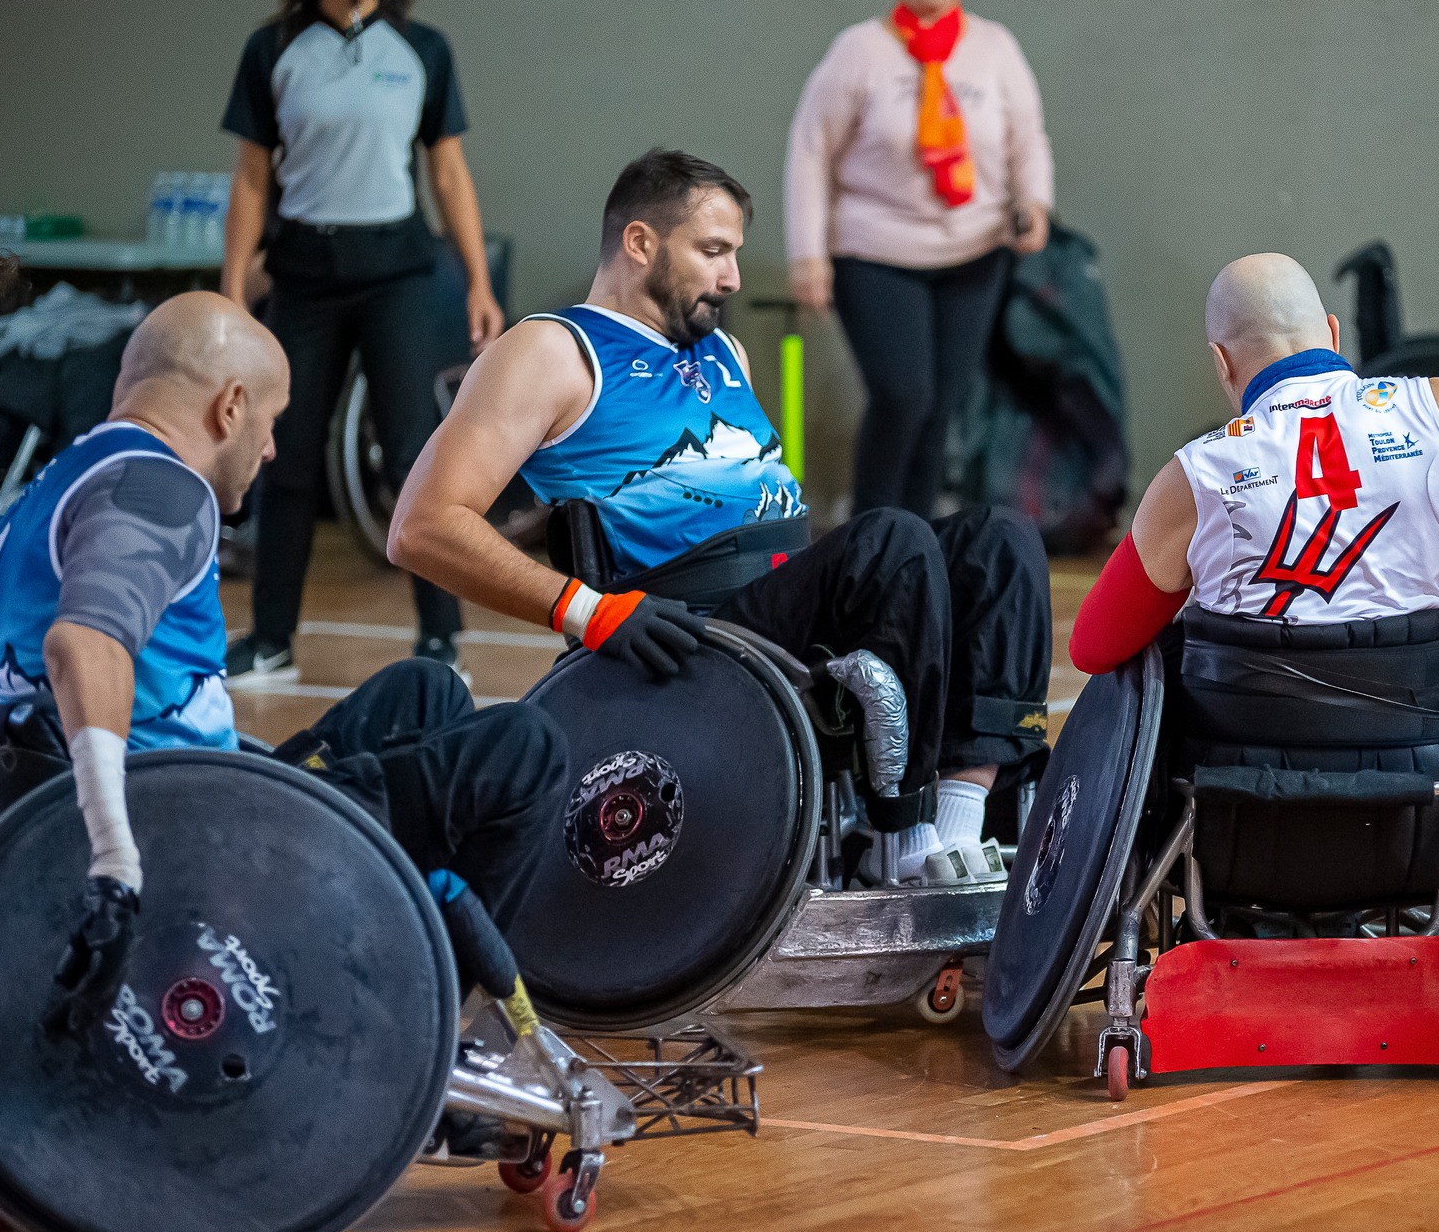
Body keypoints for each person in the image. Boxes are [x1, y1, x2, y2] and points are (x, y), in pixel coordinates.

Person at [390, 149, 1051, 887]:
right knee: (891, 539)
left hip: (792, 596)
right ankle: (898, 838)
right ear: (640, 243)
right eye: (713, 252)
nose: (732, 276)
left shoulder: (722, 347)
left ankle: (958, 830)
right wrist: (590, 611)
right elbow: (421, 524)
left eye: (733, 253)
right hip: (696, 629)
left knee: (1001, 537)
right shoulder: (550, 349)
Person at [0, 292, 566, 1038]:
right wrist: (115, 860)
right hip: (199, 839)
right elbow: (85, 642)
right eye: (271, 420)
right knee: (527, 750)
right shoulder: (162, 487)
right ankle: (420, 1045)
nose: (269, 449)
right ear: (230, 406)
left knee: (421, 690)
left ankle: (393, 946)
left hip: (138, 798)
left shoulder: (60, 477)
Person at [1068, 254, 1439, 674]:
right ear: (1333, 333)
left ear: (1221, 363)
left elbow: (1093, 648)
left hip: (1242, 768)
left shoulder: (1193, 475)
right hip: (1419, 756)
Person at [219, 0, 502, 684]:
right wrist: (231, 293)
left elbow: (448, 173)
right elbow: (249, 180)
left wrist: (477, 279)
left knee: (415, 453)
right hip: (304, 274)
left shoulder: (423, 50)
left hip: (400, 273)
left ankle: (440, 638)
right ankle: (271, 638)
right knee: (288, 457)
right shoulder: (273, 50)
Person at [785, 0, 1053, 518]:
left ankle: (917, 536)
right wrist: (809, 255)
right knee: (903, 394)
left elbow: (1027, 139)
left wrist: (1034, 203)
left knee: (942, 405)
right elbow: (809, 152)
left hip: (974, 251)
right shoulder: (861, 50)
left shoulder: (995, 48)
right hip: (876, 252)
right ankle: (874, 530)